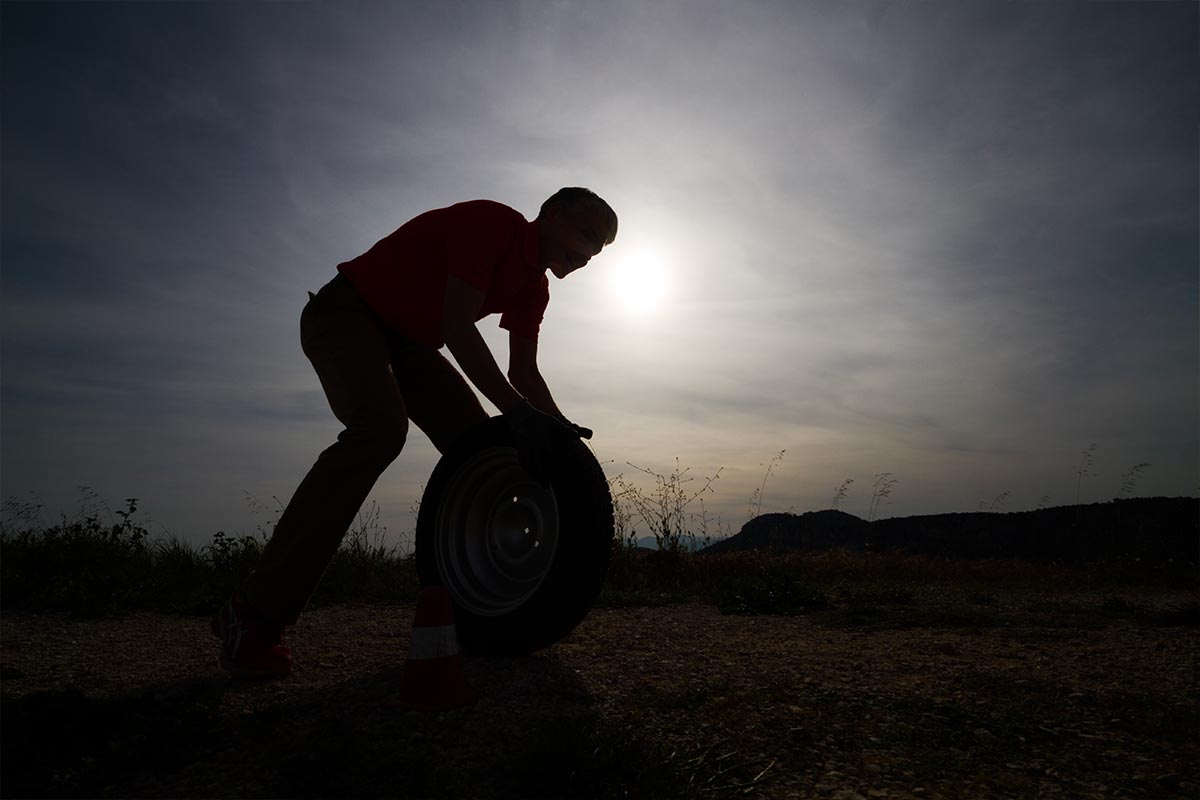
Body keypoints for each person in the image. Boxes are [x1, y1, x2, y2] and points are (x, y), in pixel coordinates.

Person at [212, 188, 618, 677]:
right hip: (347, 311)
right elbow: (456, 328)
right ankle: (255, 612)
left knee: (484, 451)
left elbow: (524, 376)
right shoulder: (493, 225)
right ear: (550, 214)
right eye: (586, 233)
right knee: (381, 430)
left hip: (407, 343)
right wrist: (519, 413)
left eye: (599, 248)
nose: (589, 253)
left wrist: (557, 430)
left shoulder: (535, 289)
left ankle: (484, 595)